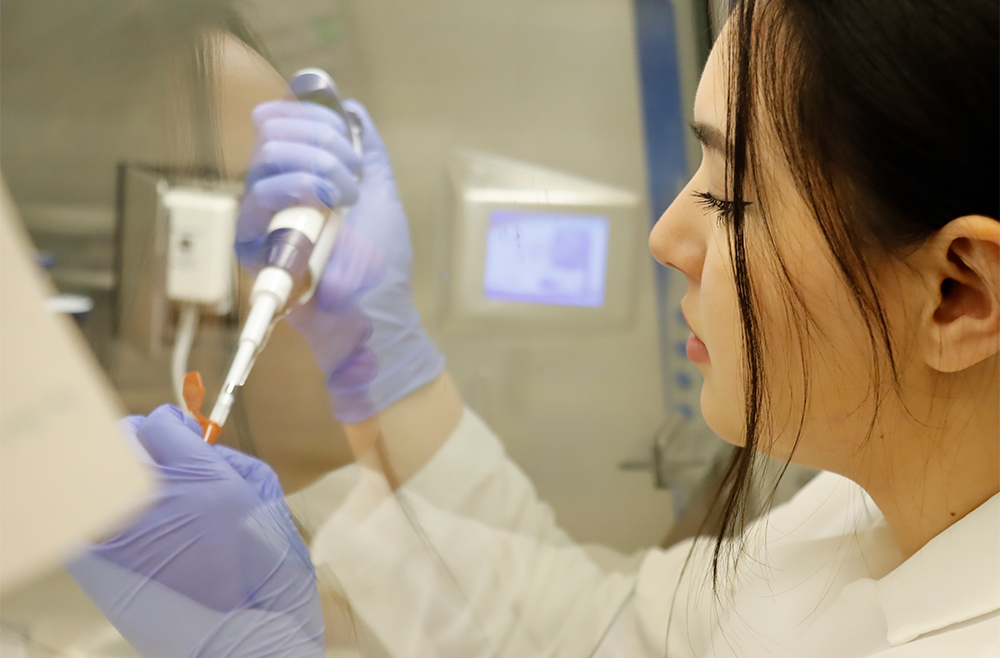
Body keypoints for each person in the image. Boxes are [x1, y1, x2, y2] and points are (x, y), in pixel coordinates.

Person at [51, 0, 1000, 655]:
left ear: (960, 294)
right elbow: (593, 634)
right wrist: (383, 354)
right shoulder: (856, 510)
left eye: (734, 194)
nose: (668, 236)